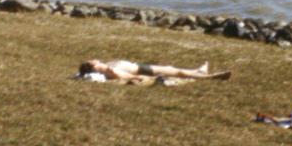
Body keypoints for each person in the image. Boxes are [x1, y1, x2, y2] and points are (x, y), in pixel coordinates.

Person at [78, 59, 231, 83]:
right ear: (92, 66)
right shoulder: (109, 69)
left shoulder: (107, 66)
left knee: (174, 69)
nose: (95, 58)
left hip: (142, 67)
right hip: (144, 70)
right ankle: (210, 76)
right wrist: (138, 78)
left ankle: (199, 71)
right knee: (175, 72)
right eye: (92, 60)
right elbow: (126, 76)